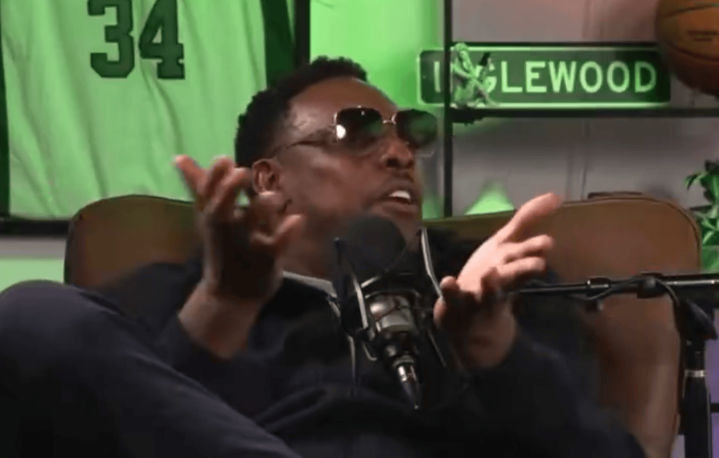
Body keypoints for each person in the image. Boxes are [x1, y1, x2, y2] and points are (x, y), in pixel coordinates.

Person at [0, 57, 644, 458]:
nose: (400, 153)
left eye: (411, 134)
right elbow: (117, 434)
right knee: (32, 314)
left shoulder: (493, 286)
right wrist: (221, 308)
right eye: (358, 132)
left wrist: (495, 351)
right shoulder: (177, 294)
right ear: (269, 179)